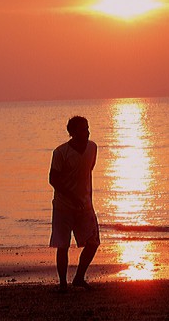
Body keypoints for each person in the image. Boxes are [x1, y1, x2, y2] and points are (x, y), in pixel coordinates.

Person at [49, 116, 100, 293]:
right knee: (63, 245)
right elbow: (53, 179)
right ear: (73, 133)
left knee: (93, 242)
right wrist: (71, 196)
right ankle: (62, 284)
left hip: (85, 205)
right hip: (63, 206)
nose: (87, 132)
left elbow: (88, 170)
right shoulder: (60, 152)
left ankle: (79, 277)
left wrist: (82, 197)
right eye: (83, 129)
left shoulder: (93, 147)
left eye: (88, 128)